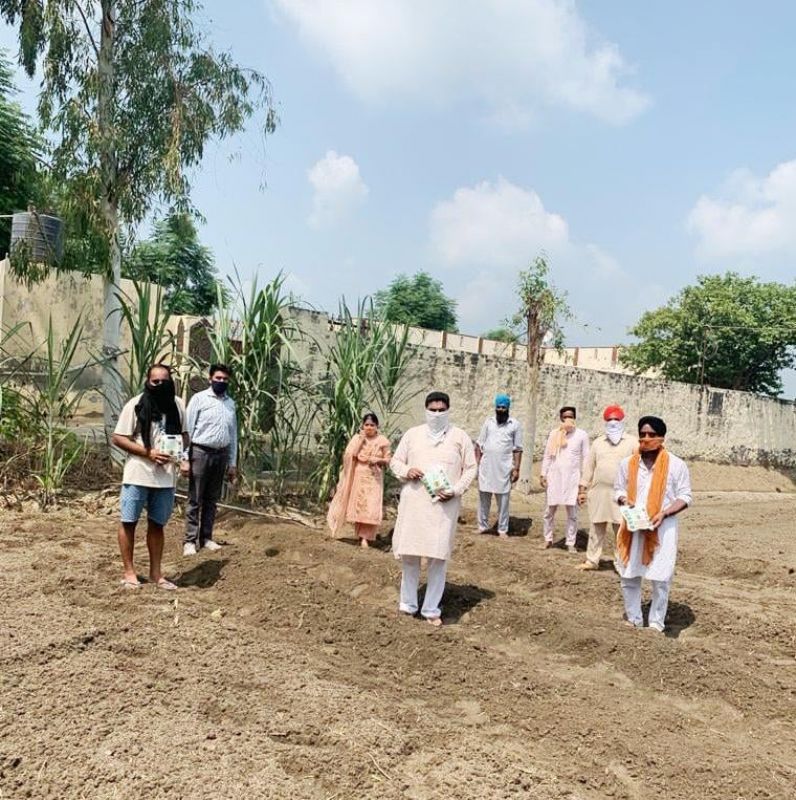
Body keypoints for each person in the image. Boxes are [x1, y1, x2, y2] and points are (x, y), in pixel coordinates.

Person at [390, 391, 477, 626]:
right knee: (410, 555)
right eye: (433, 409)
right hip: (415, 503)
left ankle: (430, 609)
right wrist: (406, 471)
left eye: (441, 410)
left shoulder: (460, 437)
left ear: (448, 410)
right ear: (426, 410)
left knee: (438, 557)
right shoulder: (413, 435)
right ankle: (408, 604)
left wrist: (456, 490)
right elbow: (395, 461)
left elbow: (471, 468)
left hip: (443, 507)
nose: (437, 414)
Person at [111, 364, 188, 590]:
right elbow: (118, 437)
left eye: (164, 380)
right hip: (138, 474)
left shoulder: (178, 405)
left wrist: (178, 452)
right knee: (129, 522)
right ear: (148, 382)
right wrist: (148, 452)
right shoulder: (136, 405)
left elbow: (185, 434)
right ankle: (129, 572)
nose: (160, 385)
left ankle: (156, 574)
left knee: (157, 524)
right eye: (155, 381)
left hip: (165, 477)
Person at [614, 416, 692, 633]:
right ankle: (634, 619)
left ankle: (656, 623)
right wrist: (623, 500)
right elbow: (619, 489)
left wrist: (664, 513)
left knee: (661, 577)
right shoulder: (627, 464)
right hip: (633, 526)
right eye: (642, 435)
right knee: (629, 574)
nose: (646, 439)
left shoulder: (676, 465)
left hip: (662, 528)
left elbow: (685, 496)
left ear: (661, 438)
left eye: (651, 435)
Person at [183, 363, 238, 556]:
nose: (221, 382)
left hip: (221, 454)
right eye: (218, 378)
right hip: (200, 452)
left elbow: (233, 435)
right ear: (210, 379)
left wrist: (232, 463)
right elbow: (187, 430)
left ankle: (206, 538)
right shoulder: (199, 399)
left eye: (225, 379)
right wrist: (185, 458)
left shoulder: (230, 404)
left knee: (212, 499)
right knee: (195, 498)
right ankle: (190, 540)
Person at [576, 404, 637, 571]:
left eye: (616, 420)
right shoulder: (598, 443)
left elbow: (638, 468)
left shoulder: (632, 442)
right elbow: (589, 467)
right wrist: (582, 488)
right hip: (599, 492)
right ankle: (592, 560)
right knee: (596, 527)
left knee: (621, 529)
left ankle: (621, 563)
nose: (613, 423)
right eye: (610, 420)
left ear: (622, 421)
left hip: (621, 493)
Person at [326, 412, 392, 548]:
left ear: (377, 426)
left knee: (371, 507)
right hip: (359, 476)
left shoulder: (382, 441)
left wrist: (378, 459)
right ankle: (362, 537)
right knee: (360, 506)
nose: (369, 427)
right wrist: (361, 440)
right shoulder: (357, 438)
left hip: (374, 478)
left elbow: (388, 459)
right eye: (366, 425)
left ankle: (366, 538)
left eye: (372, 425)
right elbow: (350, 455)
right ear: (362, 425)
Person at [540, 405, 590, 553]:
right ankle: (547, 539)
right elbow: (548, 455)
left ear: (574, 418)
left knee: (572, 514)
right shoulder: (554, 434)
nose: (568, 419)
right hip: (554, 477)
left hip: (572, 479)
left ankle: (570, 542)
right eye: (565, 416)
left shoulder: (581, 435)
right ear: (561, 418)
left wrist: (584, 481)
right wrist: (543, 474)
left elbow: (586, 458)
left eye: (570, 416)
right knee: (549, 511)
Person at [475, 393, 523, 539]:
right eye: (498, 407)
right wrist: (477, 464)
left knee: (503, 500)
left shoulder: (514, 425)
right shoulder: (488, 422)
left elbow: (518, 448)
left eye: (503, 407)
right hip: (486, 467)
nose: (501, 409)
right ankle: (482, 526)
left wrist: (516, 468)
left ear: (508, 408)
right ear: (495, 408)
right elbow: (479, 444)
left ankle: (502, 529)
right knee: (483, 497)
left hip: (504, 468)